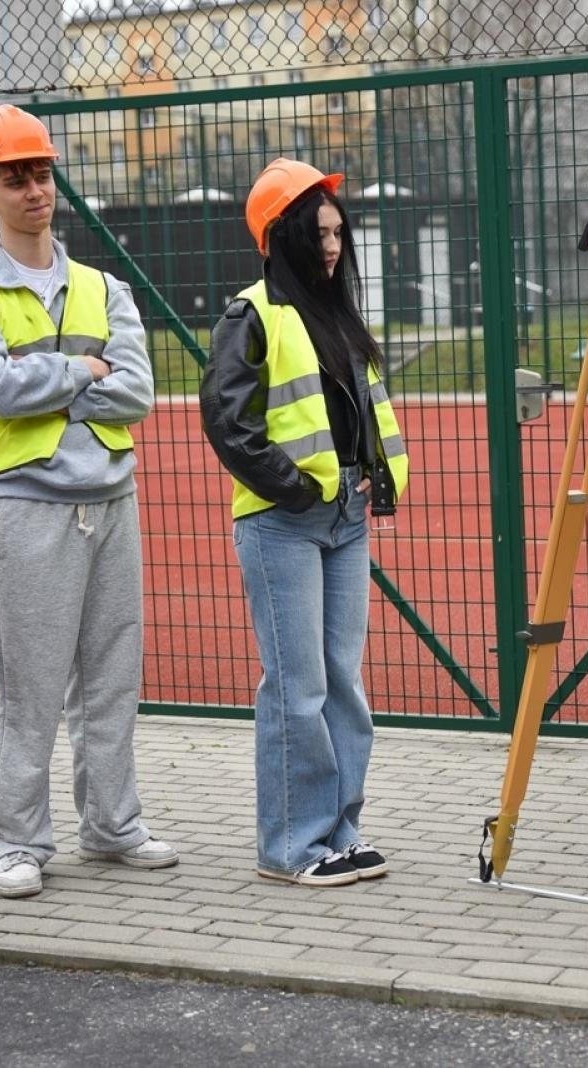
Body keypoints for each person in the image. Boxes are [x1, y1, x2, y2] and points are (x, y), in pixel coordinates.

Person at [0, 105, 177, 898]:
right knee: (27, 685)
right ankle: (15, 841)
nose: (35, 189)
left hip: (111, 498)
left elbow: (137, 391)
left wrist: (51, 389)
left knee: (112, 676)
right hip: (23, 504)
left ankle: (111, 826)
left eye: (41, 173)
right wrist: (83, 375)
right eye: (15, 178)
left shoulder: (103, 287)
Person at [200, 158, 410, 887]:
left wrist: (365, 487)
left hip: (346, 516)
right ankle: (290, 846)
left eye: (336, 232)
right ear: (279, 236)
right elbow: (228, 420)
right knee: (297, 688)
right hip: (284, 524)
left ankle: (339, 832)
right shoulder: (251, 314)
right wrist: (293, 491)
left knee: (342, 684)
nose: (332, 244)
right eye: (317, 232)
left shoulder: (337, 314)